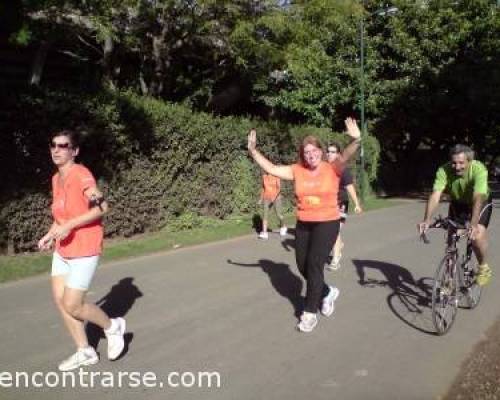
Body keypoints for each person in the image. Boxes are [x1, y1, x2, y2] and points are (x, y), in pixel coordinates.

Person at [247, 118, 361, 332]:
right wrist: (253, 151)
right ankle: (327, 292)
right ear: (303, 154)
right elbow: (271, 167)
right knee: (302, 265)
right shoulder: (296, 170)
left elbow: (346, 154)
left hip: (327, 223)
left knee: (315, 264)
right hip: (304, 223)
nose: (311, 155)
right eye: (306, 152)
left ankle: (309, 313)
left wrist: (356, 139)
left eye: (314, 151)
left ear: (321, 151)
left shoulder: (332, 168)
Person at [38, 130, 126, 371]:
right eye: (53, 145)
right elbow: (61, 217)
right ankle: (85, 351)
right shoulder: (56, 179)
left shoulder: (81, 174)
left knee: (73, 304)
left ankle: (112, 327)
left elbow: (102, 207)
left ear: (74, 151)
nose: (56, 149)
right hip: (63, 249)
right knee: (60, 300)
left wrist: (70, 225)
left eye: (63, 146)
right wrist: (49, 235)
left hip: (84, 248)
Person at [418, 144, 493, 286]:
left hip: (480, 201)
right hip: (458, 202)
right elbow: (435, 195)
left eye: (461, 163)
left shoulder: (479, 169)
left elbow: (478, 196)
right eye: (454, 162)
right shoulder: (444, 170)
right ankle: (449, 280)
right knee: (451, 237)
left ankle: (483, 267)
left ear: (469, 161)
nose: (457, 167)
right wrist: (426, 220)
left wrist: (473, 223)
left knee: (477, 235)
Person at [325, 143, 363, 270]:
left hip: (341, 203)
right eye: (328, 151)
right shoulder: (324, 168)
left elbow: (349, 187)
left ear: (339, 154)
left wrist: (357, 204)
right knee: (330, 231)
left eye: (333, 151)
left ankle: (335, 259)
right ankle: (339, 245)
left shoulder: (342, 169)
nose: (329, 154)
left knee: (334, 230)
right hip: (328, 204)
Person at [258, 172, 287, 240]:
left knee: (279, 214)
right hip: (266, 198)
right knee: (265, 215)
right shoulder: (264, 177)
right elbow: (263, 188)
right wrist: (261, 199)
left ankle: (283, 226)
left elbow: (279, 188)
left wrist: (274, 197)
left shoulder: (276, 176)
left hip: (276, 198)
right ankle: (265, 233)